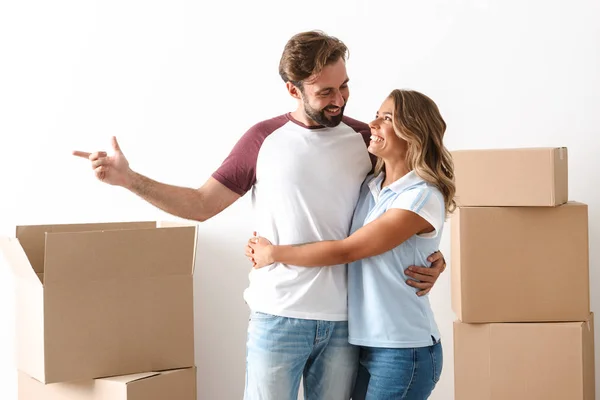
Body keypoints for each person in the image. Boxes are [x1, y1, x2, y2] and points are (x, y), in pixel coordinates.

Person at [73, 31, 447, 400]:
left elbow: (411, 193)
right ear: (293, 90)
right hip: (278, 316)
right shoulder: (262, 140)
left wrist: (431, 256)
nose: (340, 101)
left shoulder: (366, 140)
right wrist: (129, 180)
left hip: (346, 324)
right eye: (325, 92)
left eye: (344, 87)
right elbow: (201, 205)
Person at [247, 89, 454, 399]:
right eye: (378, 115)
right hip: (365, 344)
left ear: (414, 134)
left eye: (387, 119)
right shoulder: (370, 187)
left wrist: (273, 253)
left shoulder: (420, 196)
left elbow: (348, 250)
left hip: (403, 350)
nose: (373, 124)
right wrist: (436, 260)